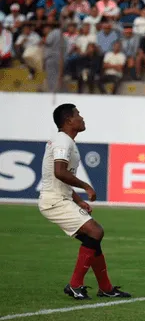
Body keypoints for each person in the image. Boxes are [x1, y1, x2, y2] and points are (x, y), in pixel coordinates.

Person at [38, 104, 131, 300]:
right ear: (69, 120)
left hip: (60, 198)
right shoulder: (63, 141)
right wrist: (86, 186)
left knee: (93, 240)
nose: (82, 117)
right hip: (54, 201)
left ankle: (106, 288)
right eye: (78, 114)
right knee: (96, 231)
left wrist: (78, 200)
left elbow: (60, 178)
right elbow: (59, 172)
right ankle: (74, 285)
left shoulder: (66, 141)